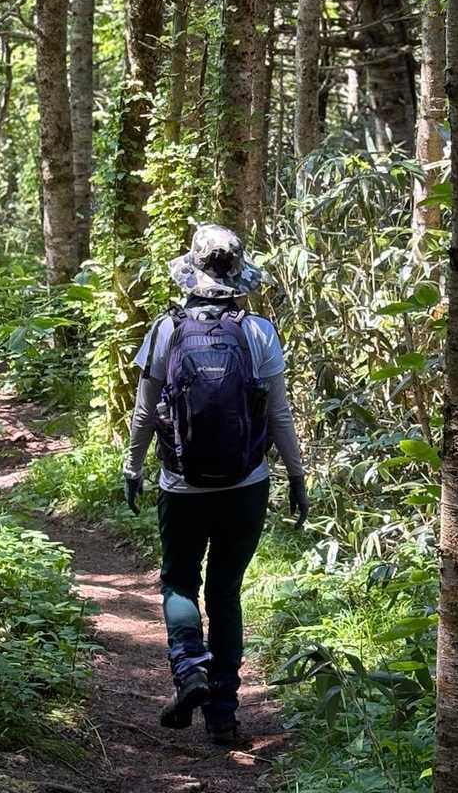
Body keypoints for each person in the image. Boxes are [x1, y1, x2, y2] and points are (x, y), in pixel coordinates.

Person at [123, 223, 308, 746]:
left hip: (181, 485)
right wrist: (296, 475)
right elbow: (279, 415)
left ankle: (190, 671)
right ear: (238, 275)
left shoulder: (166, 329)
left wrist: (133, 468)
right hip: (246, 484)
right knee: (225, 590)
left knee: (180, 581)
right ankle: (223, 714)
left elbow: (144, 413)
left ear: (191, 272)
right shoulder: (259, 332)